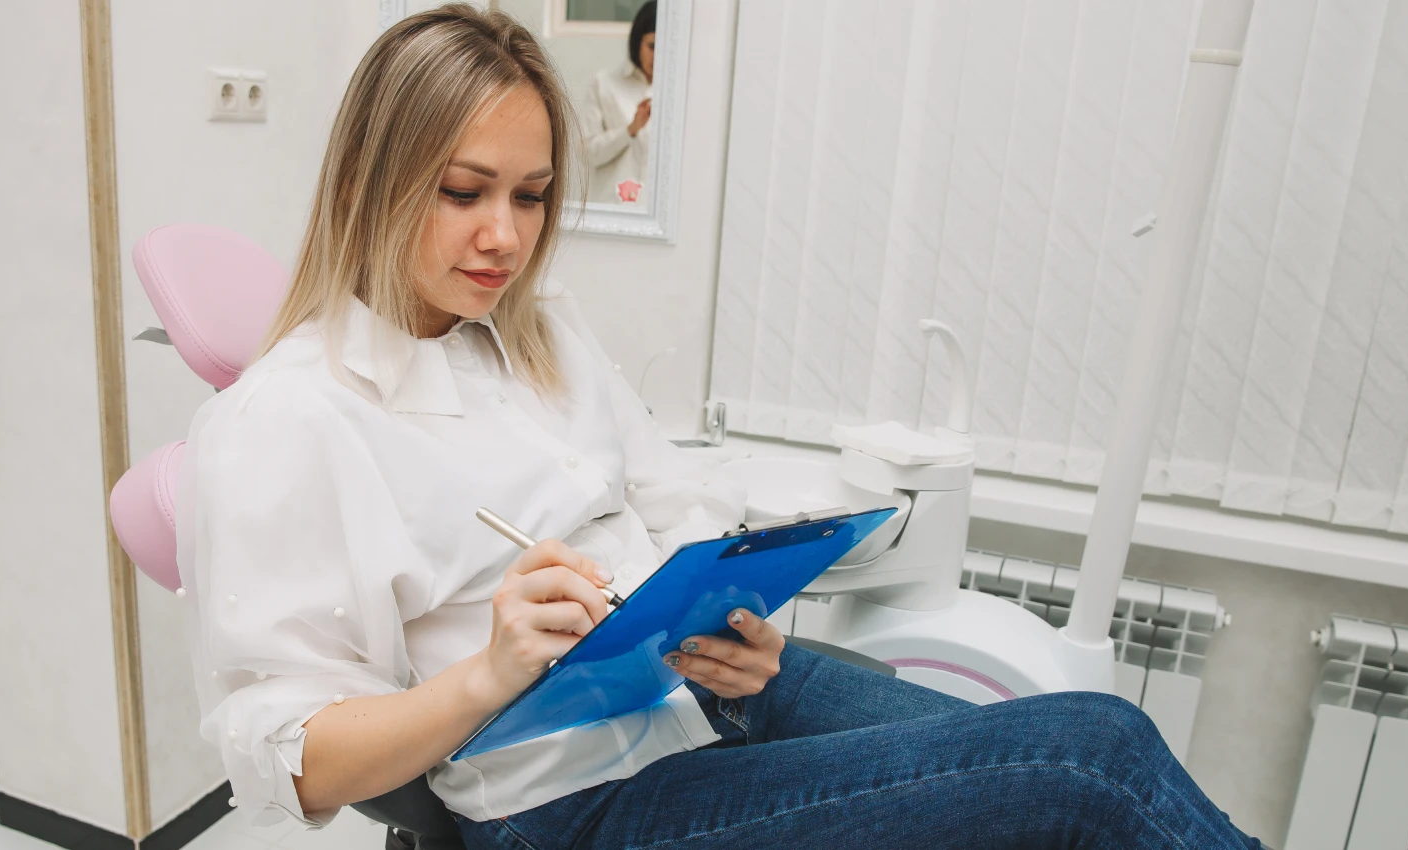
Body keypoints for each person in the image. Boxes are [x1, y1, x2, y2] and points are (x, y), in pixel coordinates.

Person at [178, 5, 1266, 848]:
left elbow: (666, 496)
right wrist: (488, 670)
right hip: (577, 801)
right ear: (372, 178)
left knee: (1071, 754)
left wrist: (715, 608)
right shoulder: (288, 419)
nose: (504, 237)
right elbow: (289, 754)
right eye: (464, 191)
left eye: (535, 195)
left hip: (706, 693)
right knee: (1094, 760)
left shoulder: (535, 330)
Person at [579, 1, 654, 204]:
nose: (657, 56)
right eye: (652, 46)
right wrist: (630, 129)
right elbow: (589, 154)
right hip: (611, 211)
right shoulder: (604, 84)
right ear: (637, 41)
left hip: (661, 219)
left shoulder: (681, 97)